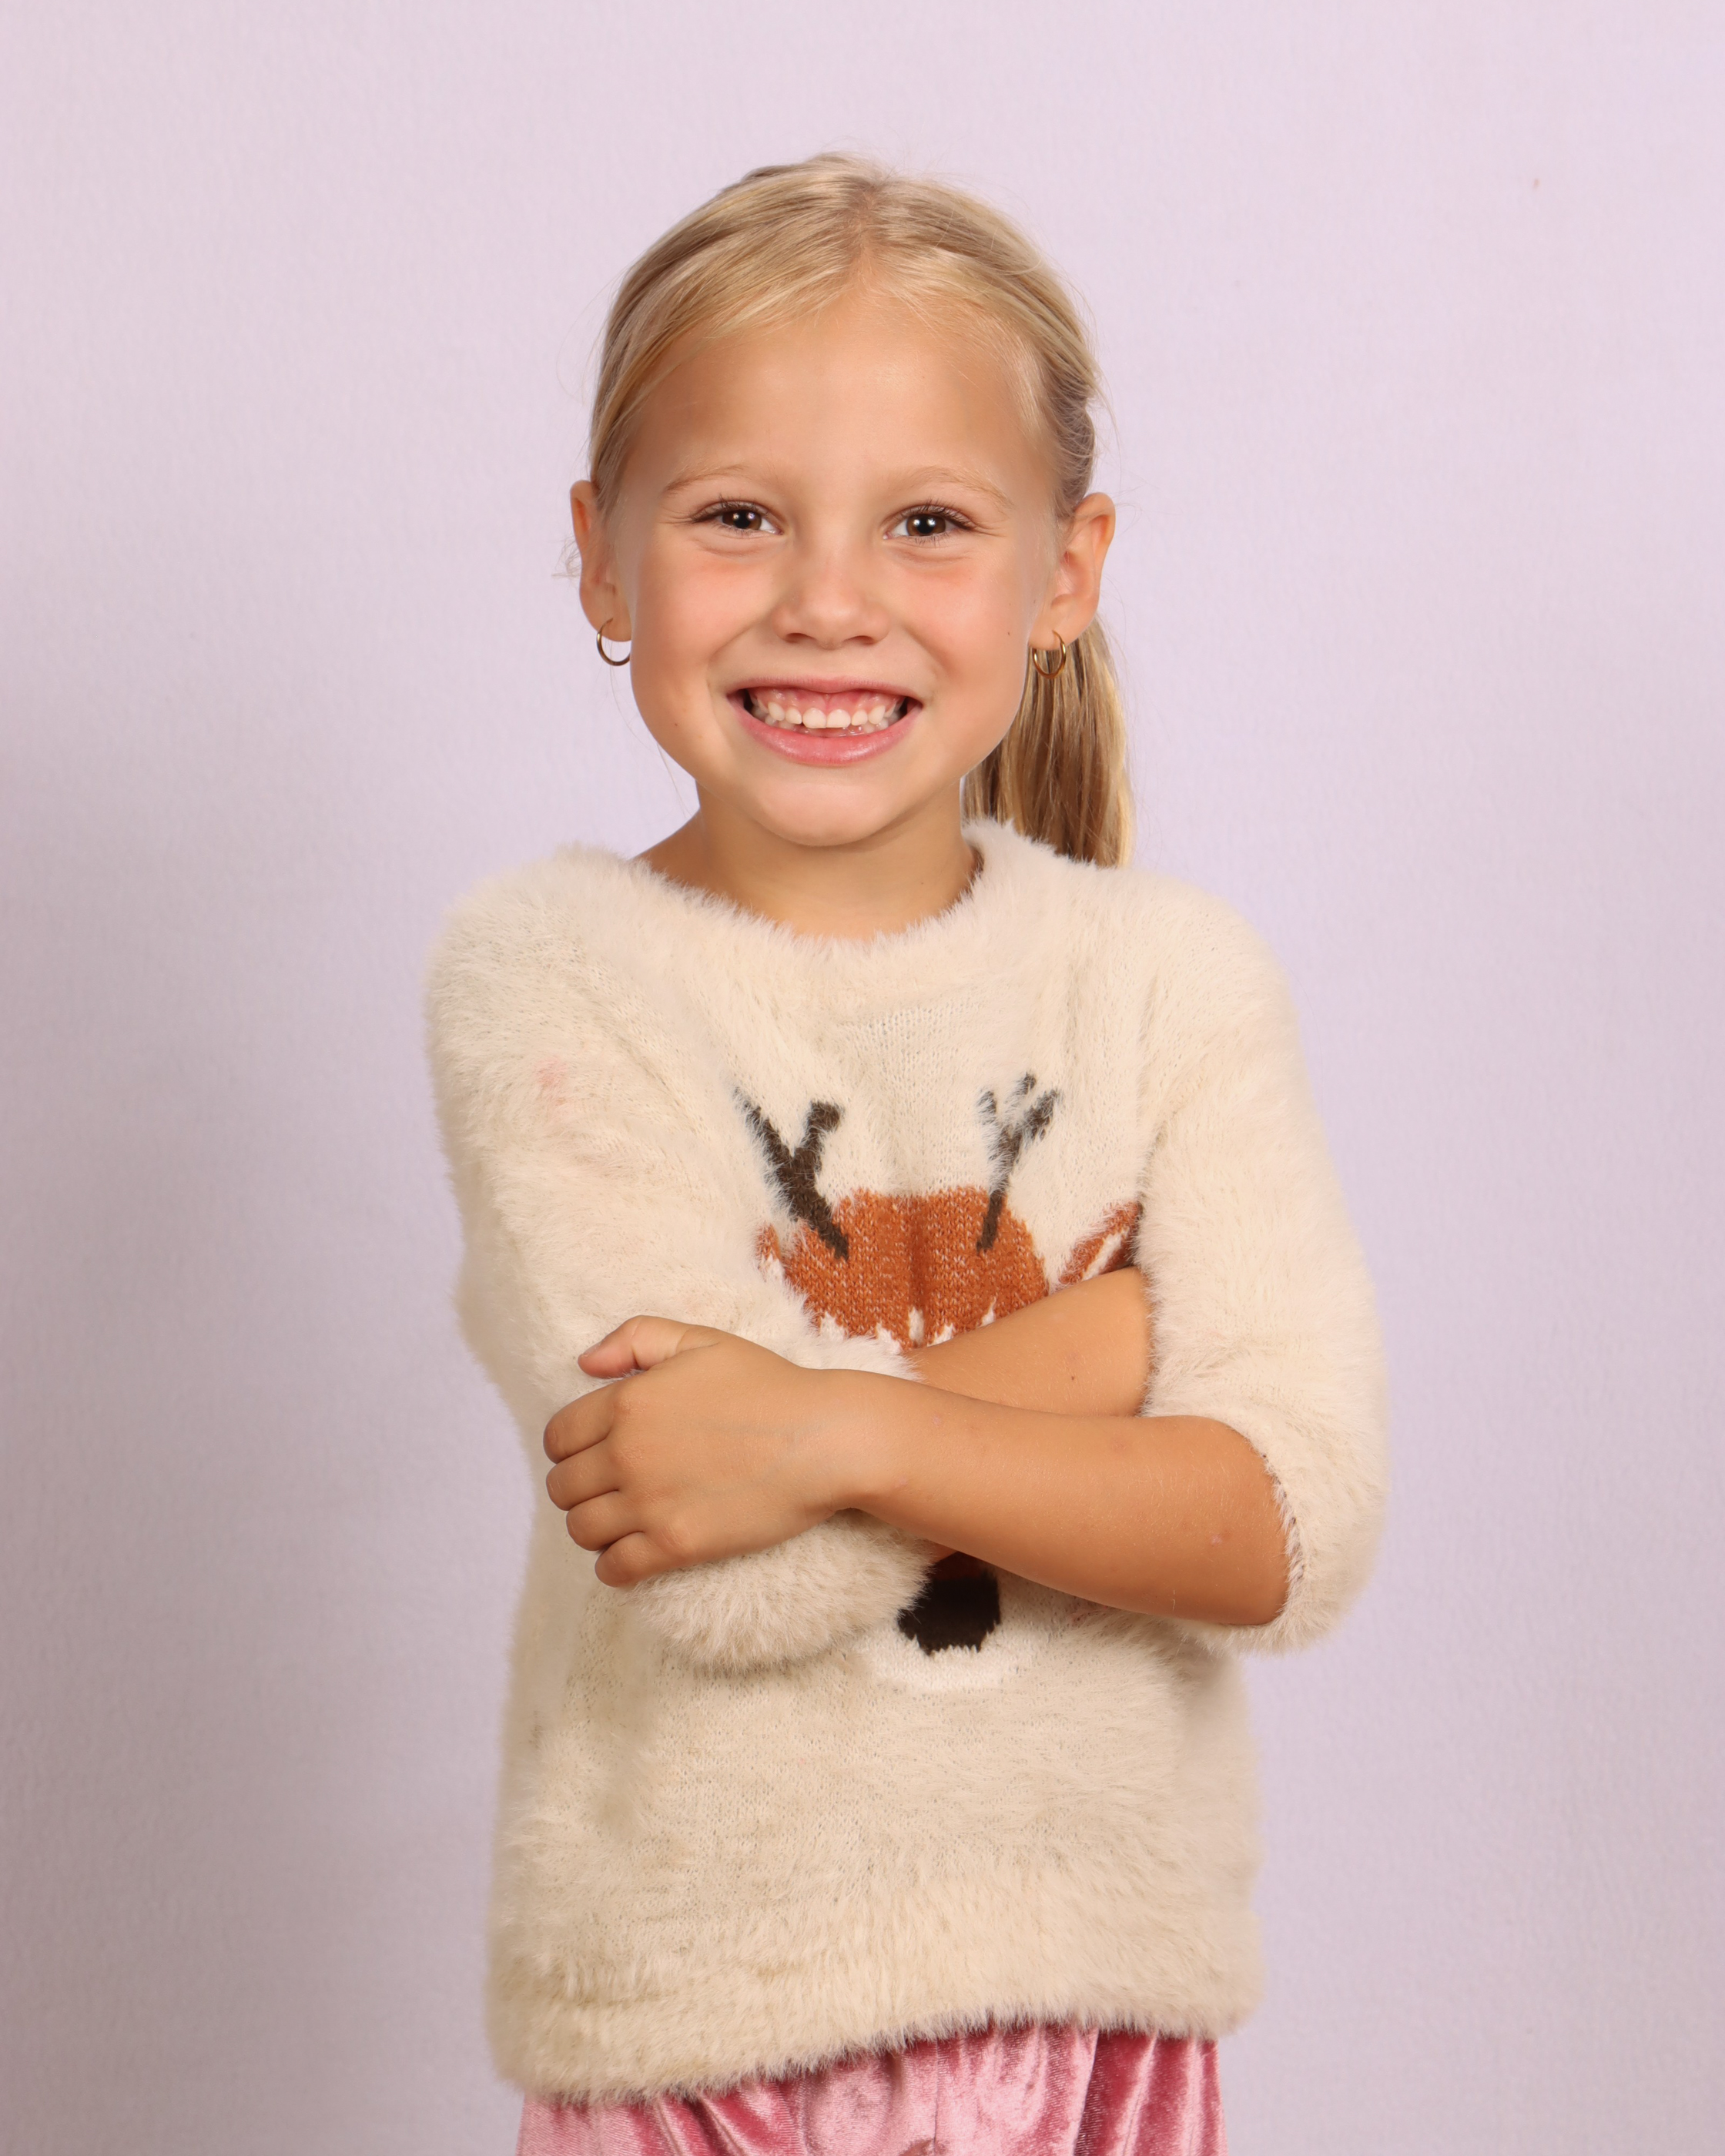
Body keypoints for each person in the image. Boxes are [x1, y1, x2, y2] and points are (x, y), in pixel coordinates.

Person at [426, 152, 1388, 2156]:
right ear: (601, 560)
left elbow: (1294, 1531)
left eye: (928, 521)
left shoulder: (1172, 985)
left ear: (1066, 572)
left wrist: (827, 1426)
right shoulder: (550, 979)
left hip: (1099, 2010)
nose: (828, 600)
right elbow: (721, 1578)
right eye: (737, 515)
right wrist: (1121, 1343)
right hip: (698, 2025)